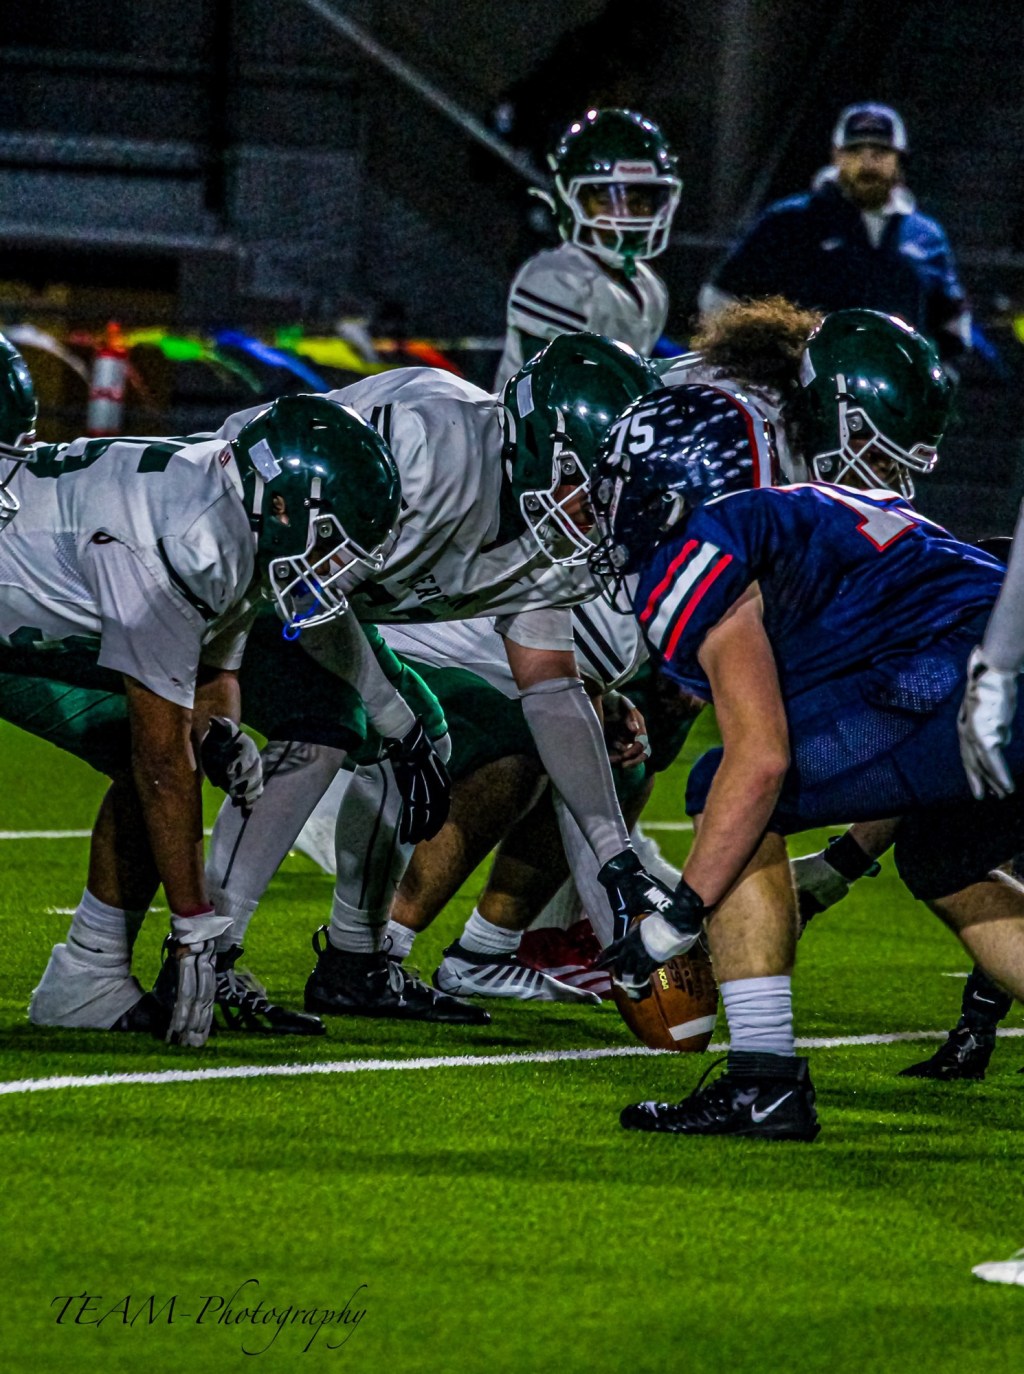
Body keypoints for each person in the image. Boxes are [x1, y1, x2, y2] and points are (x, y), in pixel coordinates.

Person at [584, 361, 1024, 1142]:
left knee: (729, 786)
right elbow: (902, 724)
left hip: (979, 683)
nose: (612, 508)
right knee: (946, 860)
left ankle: (763, 1081)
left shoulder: (704, 541)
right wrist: (843, 866)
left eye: (629, 484)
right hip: (985, 666)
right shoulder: (832, 511)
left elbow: (763, 763)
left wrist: (671, 922)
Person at [204, 334, 695, 1020]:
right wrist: (394, 715)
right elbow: (300, 565)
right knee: (333, 724)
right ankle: (208, 956)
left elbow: (551, 690)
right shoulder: (428, 441)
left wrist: (616, 858)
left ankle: (356, 962)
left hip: (320, 597)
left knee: (414, 734)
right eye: (589, 482)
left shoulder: (555, 532)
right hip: (235, 559)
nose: (600, 509)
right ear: (537, 442)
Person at [5, 394, 449, 1046]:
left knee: (162, 747)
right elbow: (162, 766)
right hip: (15, 613)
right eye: (331, 546)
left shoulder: (232, 505)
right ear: (281, 506)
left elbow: (215, 672)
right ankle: (87, 976)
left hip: (34, 606)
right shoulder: (184, 541)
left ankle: (87, 979)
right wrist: (193, 930)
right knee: (153, 759)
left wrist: (221, 731)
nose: (335, 572)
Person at [699, 102, 970, 366]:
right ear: (836, 155)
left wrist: (940, 374)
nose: (867, 163)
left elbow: (952, 320)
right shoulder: (789, 220)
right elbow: (720, 296)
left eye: (880, 152)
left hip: (893, 396)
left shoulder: (926, 235)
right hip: (805, 392)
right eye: (855, 151)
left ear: (900, 159)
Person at [494, 108, 681, 390]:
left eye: (639, 199)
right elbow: (558, 396)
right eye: (607, 200)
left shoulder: (649, 287)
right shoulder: (554, 279)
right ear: (571, 198)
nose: (625, 215)